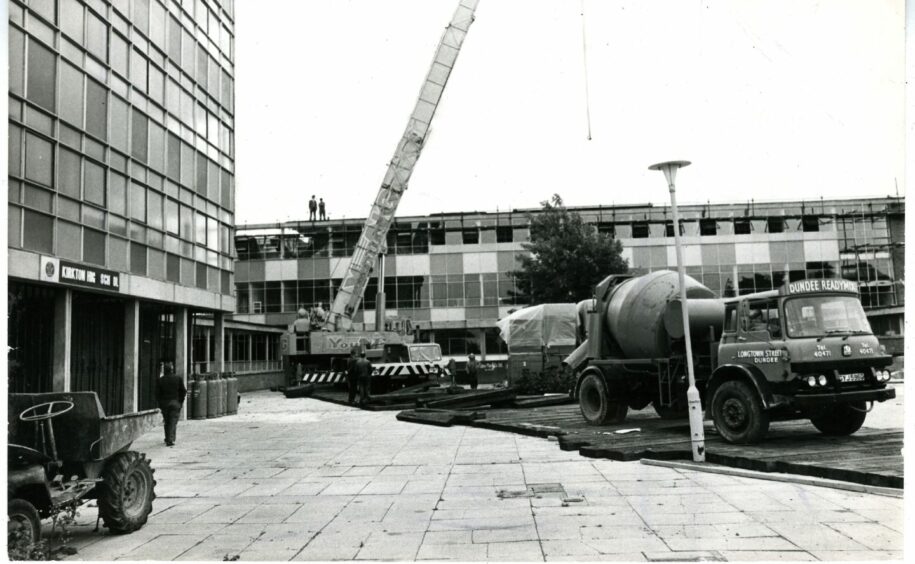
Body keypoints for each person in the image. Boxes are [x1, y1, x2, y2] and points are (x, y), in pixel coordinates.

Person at [155, 362, 186, 447]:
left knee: (167, 421)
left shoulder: (160, 380)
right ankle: (170, 439)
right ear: (172, 369)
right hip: (175, 402)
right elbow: (183, 391)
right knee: (173, 421)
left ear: (164, 370)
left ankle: (167, 437)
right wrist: (180, 402)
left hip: (165, 404)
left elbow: (157, 394)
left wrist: (160, 403)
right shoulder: (178, 378)